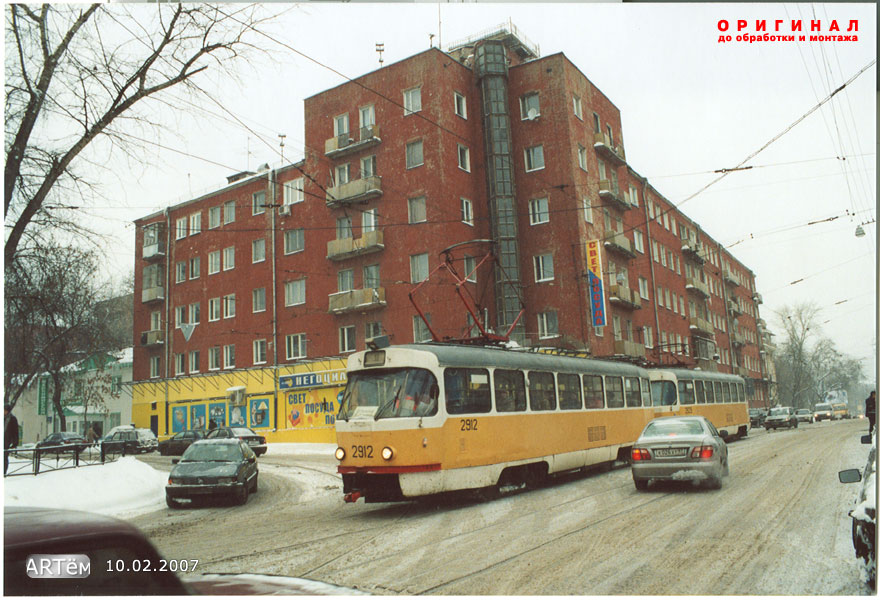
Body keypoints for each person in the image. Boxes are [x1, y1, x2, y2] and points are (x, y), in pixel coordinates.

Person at [5, 404, 20, 475]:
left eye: (5, 410)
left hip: (6, 441)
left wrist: (15, 442)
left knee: (4, 457)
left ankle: (3, 472)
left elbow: (15, 431)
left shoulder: (12, 419)